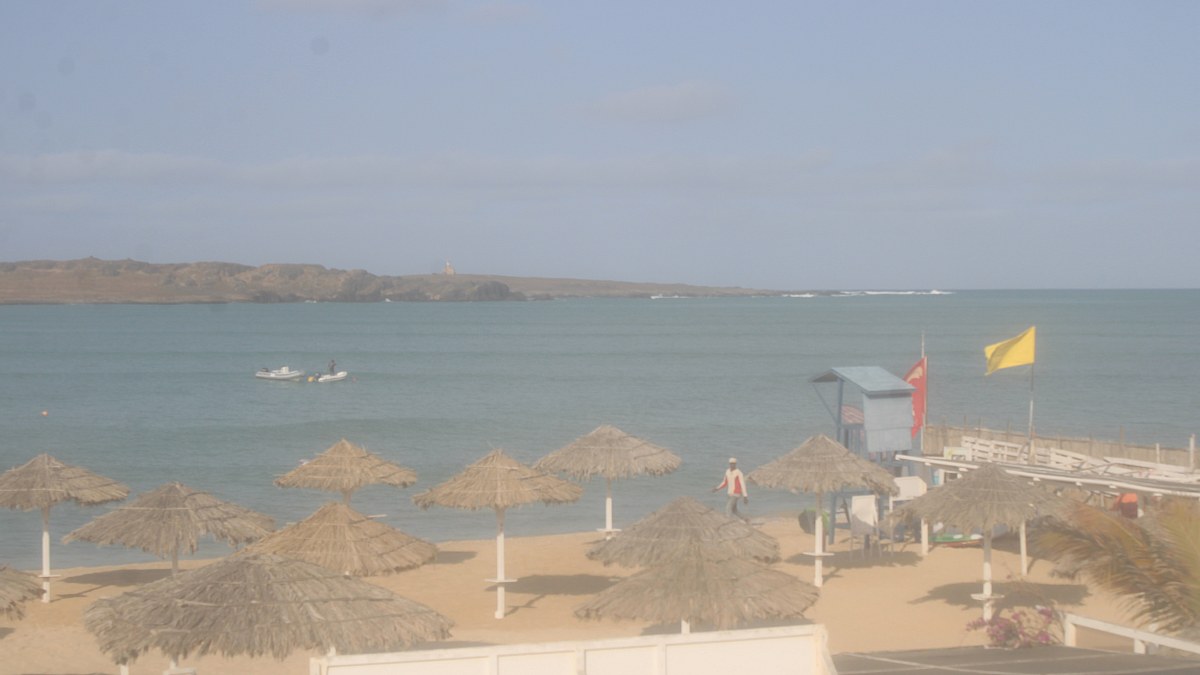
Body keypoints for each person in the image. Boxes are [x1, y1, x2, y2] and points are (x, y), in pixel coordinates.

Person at [712, 457, 749, 522]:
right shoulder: (727, 471)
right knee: (734, 510)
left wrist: (745, 496)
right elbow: (724, 482)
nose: (732, 465)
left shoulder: (739, 472)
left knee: (728, 508)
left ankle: (729, 522)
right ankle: (746, 519)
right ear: (729, 464)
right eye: (731, 463)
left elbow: (742, 484)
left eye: (733, 464)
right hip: (729, 493)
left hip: (736, 493)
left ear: (735, 464)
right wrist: (717, 488)